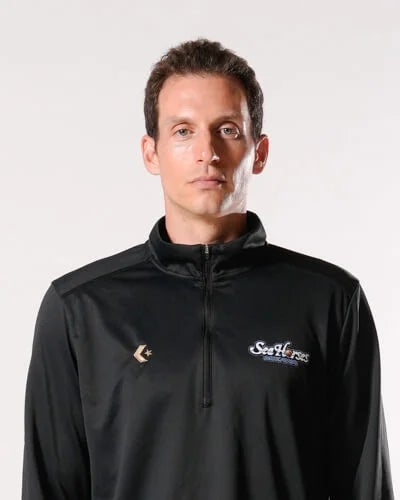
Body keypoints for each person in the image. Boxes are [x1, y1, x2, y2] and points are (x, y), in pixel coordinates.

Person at [22, 38, 394, 500]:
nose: (207, 151)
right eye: (183, 131)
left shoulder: (331, 301)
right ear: (151, 152)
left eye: (228, 130)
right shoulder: (79, 310)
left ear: (259, 151)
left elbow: (365, 487)